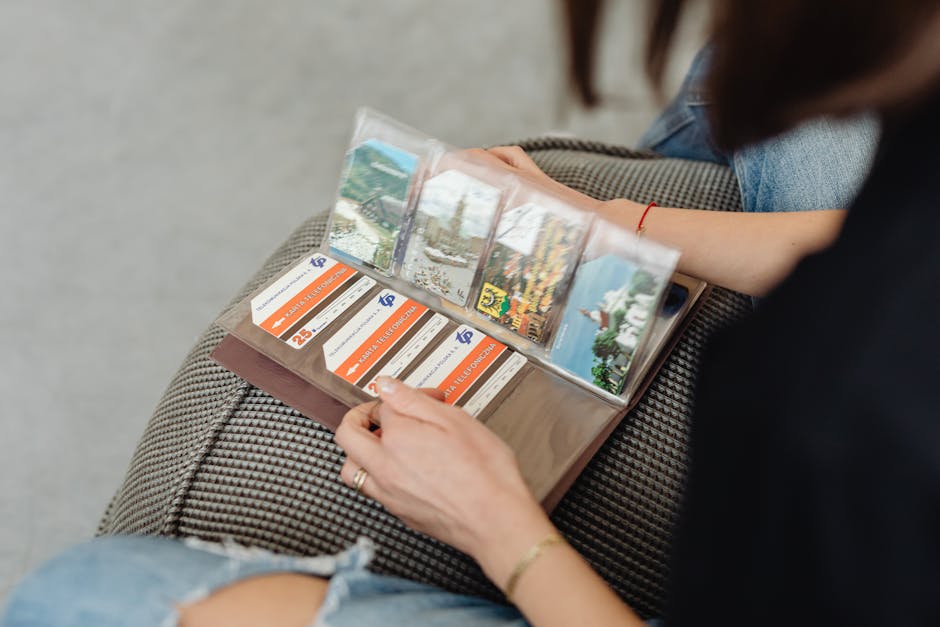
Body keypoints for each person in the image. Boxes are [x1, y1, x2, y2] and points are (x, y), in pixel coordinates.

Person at [5, 1, 940, 625]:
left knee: (79, 599)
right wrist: (609, 216)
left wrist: (497, 523)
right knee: (762, 73)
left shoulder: (832, 414)